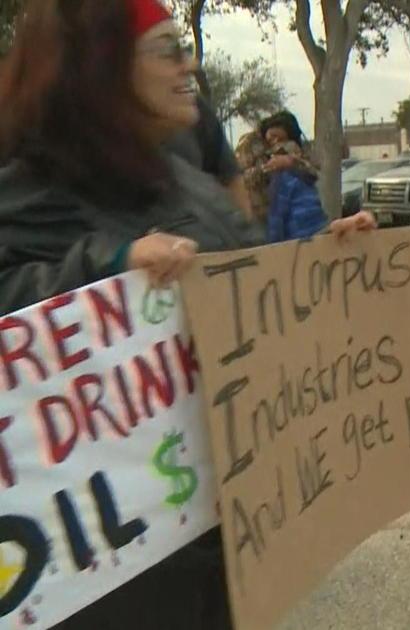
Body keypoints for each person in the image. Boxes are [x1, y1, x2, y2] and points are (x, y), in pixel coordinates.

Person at [0, 2, 374, 628]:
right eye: (168, 50)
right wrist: (110, 264)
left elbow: (242, 278)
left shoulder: (184, 178)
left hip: (218, 526)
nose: (189, 66)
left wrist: (320, 261)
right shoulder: (28, 193)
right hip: (111, 571)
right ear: (104, 71)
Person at [249, 111, 326, 241]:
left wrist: (273, 246)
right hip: (317, 235)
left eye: (277, 139)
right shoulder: (306, 172)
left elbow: (277, 218)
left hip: (296, 241)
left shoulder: (283, 174)